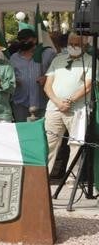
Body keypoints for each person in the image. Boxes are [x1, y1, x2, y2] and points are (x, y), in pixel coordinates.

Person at [44, 34, 92, 176]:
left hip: (77, 110)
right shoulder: (58, 59)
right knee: (49, 144)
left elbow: (88, 86)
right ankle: (43, 178)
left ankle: (71, 180)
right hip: (54, 108)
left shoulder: (90, 61)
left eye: (77, 44)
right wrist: (58, 102)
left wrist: (70, 101)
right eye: (71, 43)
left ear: (85, 45)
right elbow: (47, 86)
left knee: (76, 145)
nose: (73, 47)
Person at [9, 29, 54, 122]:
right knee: (22, 129)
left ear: (34, 40)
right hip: (20, 103)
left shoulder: (47, 53)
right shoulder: (14, 58)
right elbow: (9, 76)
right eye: (21, 40)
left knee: (42, 129)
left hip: (42, 102)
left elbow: (58, 71)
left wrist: (46, 78)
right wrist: (14, 80)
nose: (23, 42)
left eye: (26, 40)